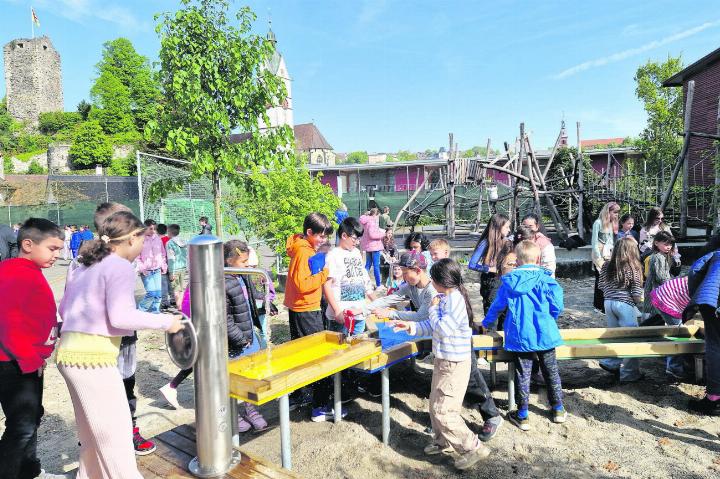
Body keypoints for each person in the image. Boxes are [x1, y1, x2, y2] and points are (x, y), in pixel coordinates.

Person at [56, 211, 183, 478]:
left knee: (92, 434)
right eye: (143, 239)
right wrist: (165, 322)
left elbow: (65, 309)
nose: (144, 245)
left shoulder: (83, 264)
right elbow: (121, 316)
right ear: (131, 239)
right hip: (93, 360)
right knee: (116, 434)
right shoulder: (119, 266)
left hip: (68, 355)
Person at [371, 252, 503, 441]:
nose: (400, 274)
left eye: (404, 271)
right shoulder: (415, 287)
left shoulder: (439, 293)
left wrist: (394, 315)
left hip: (458, 347)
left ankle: (492, 415)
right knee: (444, 390)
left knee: (471, 381)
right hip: (443, 345)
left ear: (418, 271)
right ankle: (442, 428)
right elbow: (396, 304)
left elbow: (428, 320)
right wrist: (367, 309)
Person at [391, 259, 490, 470]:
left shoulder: (453, 301)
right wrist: (410, 326)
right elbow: (430, 326)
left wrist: (434, 310)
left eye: (433, 278)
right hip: (444, 359)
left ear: (440, 281)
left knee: (444, 410)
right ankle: (441, 441)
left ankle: (472, 447)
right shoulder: (444, 298)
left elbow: (443, 329)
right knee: (435, 403)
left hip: (455, 363)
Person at [161, 241, 268, 430]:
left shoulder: (243, 276)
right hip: (234, 341)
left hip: (247, 334)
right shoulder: (222, 282)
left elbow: (248, 303)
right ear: (228, 261)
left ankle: (250, 409)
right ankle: (232, 413)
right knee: (229, 378)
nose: (247, 265)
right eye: (243, 262)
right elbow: (224, 317)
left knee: (248, 375)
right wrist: (239, 338)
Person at [90, 202, 159, 455]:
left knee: (126, 384)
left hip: (121, 340)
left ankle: (124, 431)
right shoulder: (110, 264)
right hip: (104, 344)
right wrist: (165, 322)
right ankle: (112, 438)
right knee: (112, 389)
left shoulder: (105, 261)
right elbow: (123, 315)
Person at [0, 219, 65, 479]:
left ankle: (29, 470)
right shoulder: (15, 273)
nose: (57, 255)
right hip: (14, 364)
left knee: (31, 419)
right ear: (28, 244)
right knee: (21, 428)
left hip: (25, 362)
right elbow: (8, 324)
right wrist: (31, 361)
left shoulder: (28, 271)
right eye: (52, 248)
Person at [482, 240, 566, 431]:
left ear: (517, 260)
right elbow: (557, 305)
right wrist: (550, 317)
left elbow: (497, 306)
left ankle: (523, 415)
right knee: (551, 371)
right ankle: (558, 409)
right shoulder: (546, 279)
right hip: (545, 333)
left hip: (521, 335)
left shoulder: (510, 281)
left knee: (523, 373)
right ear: (538, 258)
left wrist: (487, 324)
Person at [284, 213, 340, 420]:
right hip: (306, 309)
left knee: (300, 353)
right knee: (318, 356)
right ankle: (320, 405)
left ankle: (299, 394)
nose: (323, 241)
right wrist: (325, 273)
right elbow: (303, 285)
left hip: (300, 309)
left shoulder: (301, 247)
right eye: (321, 237)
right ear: (309, 232)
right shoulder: (304, 252)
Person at [597, 236, 645, 382]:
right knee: (631, 338)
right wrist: (640, 306)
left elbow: (600, 285)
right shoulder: (634, 265)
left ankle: (611, 362)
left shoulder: (606, 265)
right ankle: (629, 373)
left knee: (615, 335)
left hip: (608, 303)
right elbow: (636, 292)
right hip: (624, 304)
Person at [641, 230, 684, 378]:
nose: (668, 246)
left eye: (670, 244)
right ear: (656, 243)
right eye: (665, 244)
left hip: (656, 296)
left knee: (659, 326)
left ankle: (663, 356)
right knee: (670, 327)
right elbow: (663, 279)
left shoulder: (661, 256)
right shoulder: (658, 257)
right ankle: (670, 362)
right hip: (659, 297)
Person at [685, 236, 720, 415]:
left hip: (713, 302)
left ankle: (714, 398)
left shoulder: (713, 254)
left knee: (715, 346)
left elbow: (695, 272)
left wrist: (696, 304)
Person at [323, 217, 375, 336]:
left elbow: (364, 280)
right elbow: (326, 285)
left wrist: (375, 301)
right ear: (344, 236)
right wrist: (337, 311)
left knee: (358, 346)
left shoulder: (357, 253)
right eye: (355, 239)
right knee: (339, 348)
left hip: (359, 312)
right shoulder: (333, 255)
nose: (357, 242)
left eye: (359, 239)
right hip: (341, 314)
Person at [468, 213, 512, 314]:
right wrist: (489, 269)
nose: (509, 230)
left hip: (504, 280)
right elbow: (472, 264)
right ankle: (489, 330)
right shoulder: (486, 242)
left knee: (505, 312)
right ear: (498, 227)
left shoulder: (505, 241)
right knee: (492, 311)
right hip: (491, 281)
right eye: (506, 227)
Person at [591, 202, 620, 313]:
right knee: (600, 279)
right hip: (599, 254)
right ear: (608, 211)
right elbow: (594, 242)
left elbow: (612, 241)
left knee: (608, 280)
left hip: (609, 253)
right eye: (615, 212)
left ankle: (606, 305)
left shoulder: (613, 223)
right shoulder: (598, 223)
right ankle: (598, 305)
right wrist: (598, 257)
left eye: (618, 212)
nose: (616, 215)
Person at [136, 219, 167, 314]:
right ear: (144, 228)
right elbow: (136, 257)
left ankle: (155, 311)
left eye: (154, 229)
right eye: (151, 229)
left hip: (157, 269)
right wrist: (142, 268)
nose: (153, 231)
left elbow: (162, 253)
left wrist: (163, 265)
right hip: (146, 271)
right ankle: (140, 310)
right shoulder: (139, 239)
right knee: (151, 293)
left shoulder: (157, 238)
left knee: (158, 293)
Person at [359, 208, 386, 288]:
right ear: (376, 214)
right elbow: (372, 235)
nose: (378, 218)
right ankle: (378, 285)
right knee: (376, 266)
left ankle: (362, 282)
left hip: (368, 246)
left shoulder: (366, 221)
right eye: (378, 216)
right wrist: (382, 234)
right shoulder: (372, 222)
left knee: (367, 265)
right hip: (374, 247)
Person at [166, 224, 188, 302]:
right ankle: (182, 304)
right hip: (183, 267)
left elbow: (171, 258)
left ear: (169, 232)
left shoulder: (169, 243)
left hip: (175, 269)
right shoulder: (184, 241)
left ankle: (179, 306)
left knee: (176, 289)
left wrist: (171, 272)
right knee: (182, 289)